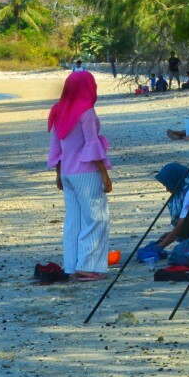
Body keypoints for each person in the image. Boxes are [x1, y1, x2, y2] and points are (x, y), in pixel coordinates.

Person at [46, 71, 113, 280]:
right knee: (96, 218)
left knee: (73, 220)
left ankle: (72, 266)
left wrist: (58, 174)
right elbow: (91, 144)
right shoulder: (86, 112)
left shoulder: (58, 110)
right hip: (86, 172)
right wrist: (104, 174)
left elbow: (56, 146)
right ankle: (87, 266)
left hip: (67, 172)